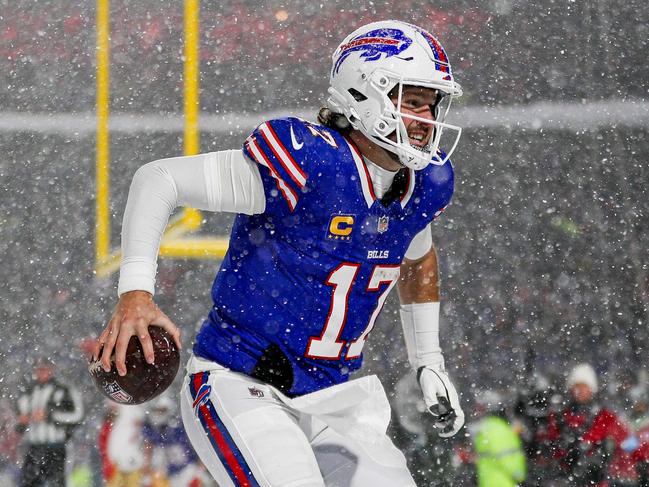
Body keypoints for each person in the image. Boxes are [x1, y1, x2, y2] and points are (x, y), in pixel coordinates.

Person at [94, 20, 465, 486]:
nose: (426, 118)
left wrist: (428, 360)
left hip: (335, 397)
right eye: (412, 101)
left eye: (431, 104)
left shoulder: (424, 186)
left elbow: (418, 256)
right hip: (240, 382)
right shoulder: (309, 161)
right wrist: (135, 295)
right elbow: (158, 180)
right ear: (365, 92)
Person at [544, 363, 630, 486]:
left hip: (597, 481)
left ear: (591, 389)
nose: (579, 391)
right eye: (576, 386)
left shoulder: (604, 416)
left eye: (584, 386)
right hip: (567, 479)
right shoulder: (559, 417)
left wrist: (614, 459)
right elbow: (551, 448)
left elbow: (628, 442)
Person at [16, 357, 84, 487]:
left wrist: (50, 416)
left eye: (45, 369)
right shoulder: (29, 391)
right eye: (39, 369)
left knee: (56, 482)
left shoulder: (64, 390)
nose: (41, 372)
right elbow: (21, 417)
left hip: (55, 447)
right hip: (34, 447)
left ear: (51, 370)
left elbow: (77, 415)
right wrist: (23, 421)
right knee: (28, 482)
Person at [471, 390, 527, 487]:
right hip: (504, 482)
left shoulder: (486, 428)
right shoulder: (499, 429)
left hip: (488, 481)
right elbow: (506, 455)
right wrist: (518, 475)